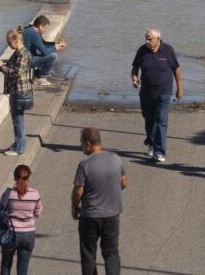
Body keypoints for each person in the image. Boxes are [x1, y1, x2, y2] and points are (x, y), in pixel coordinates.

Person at [72, 128, 127, 275]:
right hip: (112, 215)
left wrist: (74, 207)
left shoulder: (85, 164)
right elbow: (124, 182)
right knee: (111, 253)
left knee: (88, 254)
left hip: (90, 216)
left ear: (88, 144)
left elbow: (78, 190)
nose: (81, 147)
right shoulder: (115, 158)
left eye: (82, 143)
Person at [130, 28, 183, 163]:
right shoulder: (142, 50)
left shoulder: (168, 50)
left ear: (158, 39)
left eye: (150, 39)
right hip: (146, 92)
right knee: (149, 119)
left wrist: (180, 88)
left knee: (161, 120)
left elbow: (176, 70)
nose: (147, 41)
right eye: (146, 39)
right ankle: (152, 143)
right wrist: (135, 78)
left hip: (164, 92)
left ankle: (159, 152)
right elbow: (135, 67)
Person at [0, 27, 34, 157]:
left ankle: (19, 148)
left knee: (18, 121)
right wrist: (4, 65)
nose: (8, 45)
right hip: (19, 91)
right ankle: (17, 145)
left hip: (19, 92)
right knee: (18, 120)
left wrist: (2, 67)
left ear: (15, 40)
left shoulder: (22, 54)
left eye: (9, 43)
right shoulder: (21, 53)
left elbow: (17, 73)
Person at [0, 164, 42, 275]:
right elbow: (38, 213)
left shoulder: (8, 194)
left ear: (14, 178)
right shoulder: (35, 194)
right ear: (28, 178)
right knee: (23, 269)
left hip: (10, 234)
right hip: (28, 235)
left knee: (6, 264)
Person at [23, 15, 67, 85]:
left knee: (50, 52)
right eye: (45, 28)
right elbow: (44, 51)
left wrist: (56, 44)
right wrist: (55, 48)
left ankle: (38, 73)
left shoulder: (32, 29)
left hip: (26, 58)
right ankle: (39, 77)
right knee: (53, 56)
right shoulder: (34, 33)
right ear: (40, 26)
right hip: (26, 61)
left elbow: (43, 43)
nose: (46, 30)